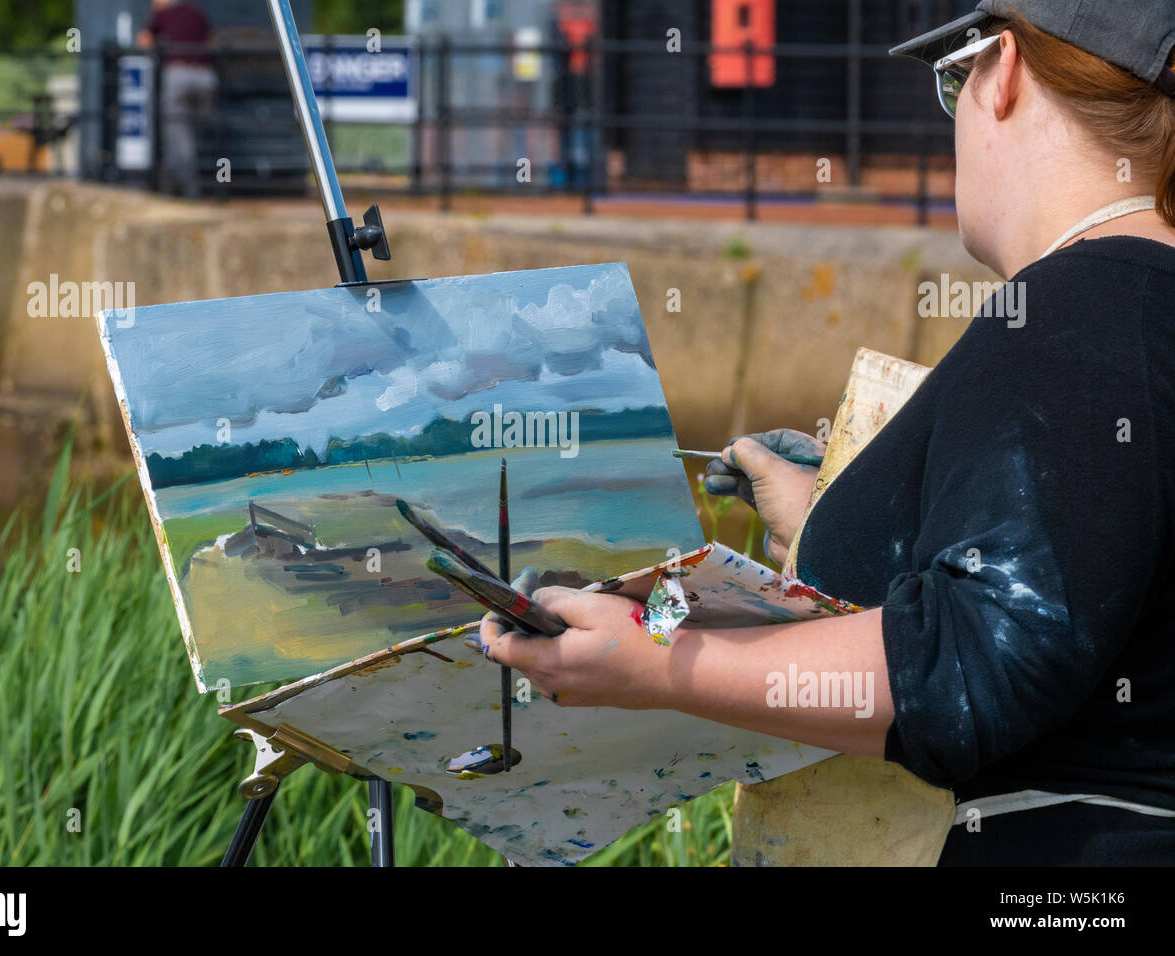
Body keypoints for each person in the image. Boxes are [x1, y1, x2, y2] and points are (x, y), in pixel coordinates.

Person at [478, 0, 1175, 865]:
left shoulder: (1074, 306)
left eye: (951, 83)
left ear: (1005, 74)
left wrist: (658, 661)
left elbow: (981, 658)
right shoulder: (1137, 306)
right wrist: (839, 516)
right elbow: (1082, 568)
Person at [137, 0, 217, 198]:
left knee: (179, 134)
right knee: (197, 131)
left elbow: (143, 42)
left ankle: (188, 192)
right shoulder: (197, 12)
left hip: (178, 76)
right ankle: (204, 183)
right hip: (205, 78)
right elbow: (210, 41)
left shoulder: (162, 14)